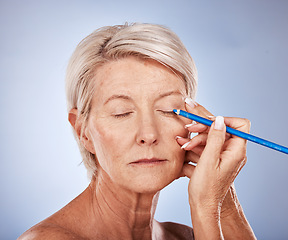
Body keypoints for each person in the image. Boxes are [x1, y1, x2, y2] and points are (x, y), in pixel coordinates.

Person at [19, 23, 256, 240]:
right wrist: (205, 208)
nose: (148, 134)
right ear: (83, 131)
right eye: (121, 113)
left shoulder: (187, 236)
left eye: (168, 110)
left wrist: (222, 200)